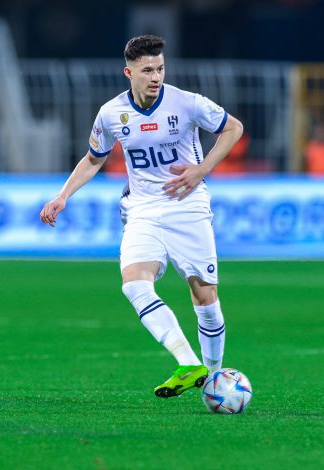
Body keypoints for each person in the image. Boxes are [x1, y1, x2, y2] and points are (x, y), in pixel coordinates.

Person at [40, 35, 243, 399]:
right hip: (143, 209)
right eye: (147, 70)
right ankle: (187, 362)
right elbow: (93, 159)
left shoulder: (186, 103)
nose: (155, 76)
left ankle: (213, 378)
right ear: (128, 72)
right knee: (134, 283)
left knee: (205, 298)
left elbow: (234, 127)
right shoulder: (111, 113)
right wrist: (63, 195)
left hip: (188, 205)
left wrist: (202, 168)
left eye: (160, 68)